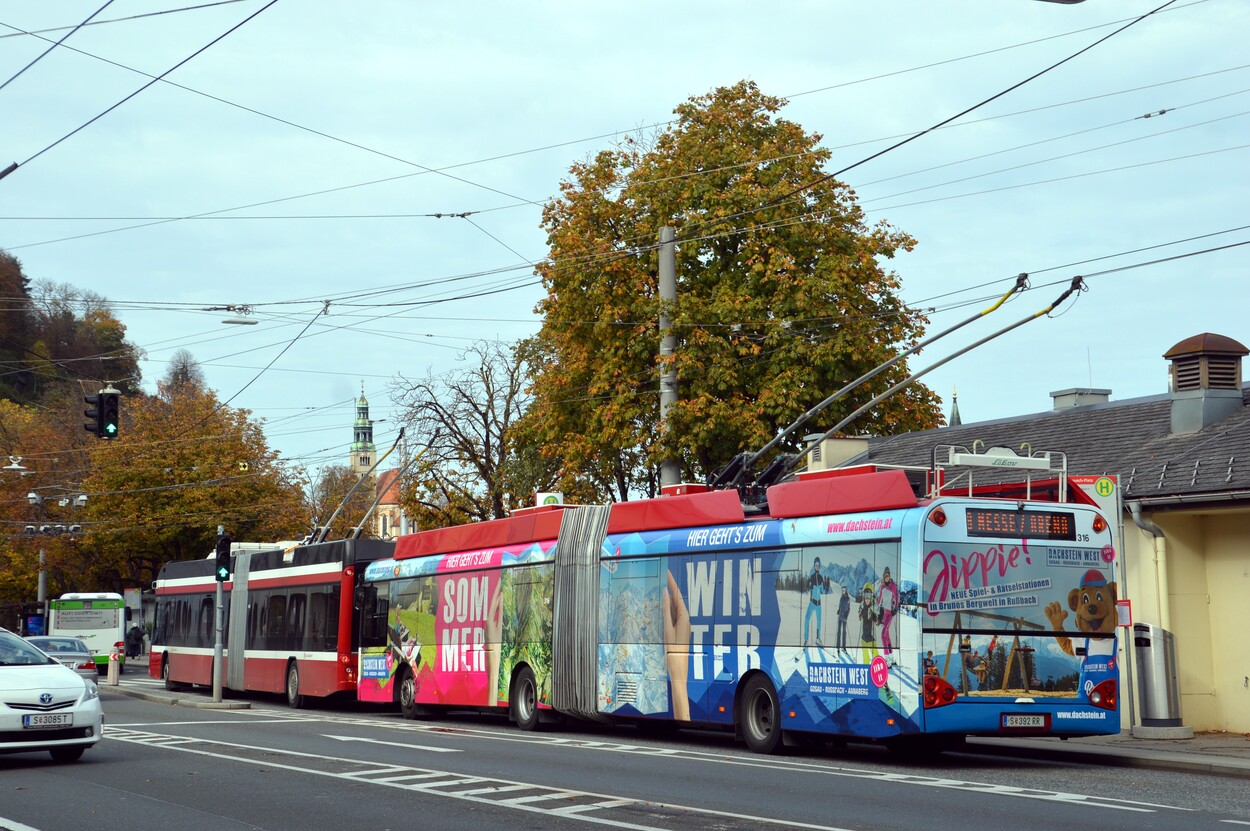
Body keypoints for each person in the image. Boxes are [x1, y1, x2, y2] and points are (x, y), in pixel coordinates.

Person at [803, 558, 827, 647]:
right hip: (812, 603)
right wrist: (808, 584)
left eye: (818, 565)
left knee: (819, 622)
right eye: (815, 564)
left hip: (819, 604)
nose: (817, 566)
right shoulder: (812, 577)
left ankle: (818, 639)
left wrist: (825, 586)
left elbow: (823, 591)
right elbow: (808, 588)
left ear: (819, 566)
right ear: (814, 566)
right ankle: (806, 639)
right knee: (806, 619)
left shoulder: (820, 577)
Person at [877, 566, 900, 657]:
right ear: (883, 576)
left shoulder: (893, 586)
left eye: (888, 575)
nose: (887, 576)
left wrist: (895, 609)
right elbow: (880, 600)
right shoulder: (882, 586)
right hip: (884, 614)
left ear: (890, 576)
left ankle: (887, 658)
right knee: (886, 635)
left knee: (883, 634)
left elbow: (897, 598)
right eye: (885, 575)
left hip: (890, 613)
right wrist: (876, 605)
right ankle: (891, 656)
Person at [858, 583, 879, 664]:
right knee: (865, 656)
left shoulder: (874, 606)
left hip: (872, 637)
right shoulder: (861, 605)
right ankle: (866, 670)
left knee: (876, 656)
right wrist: (861, 614)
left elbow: (878, 622)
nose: (867, 598)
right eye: (865, 595)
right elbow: (859, 617)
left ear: (872, 596)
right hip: (864, 638)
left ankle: (877, 672)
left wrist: (875, 618)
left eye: (869, 595)